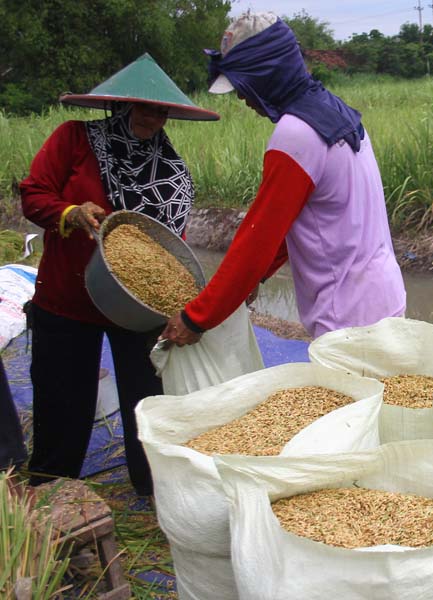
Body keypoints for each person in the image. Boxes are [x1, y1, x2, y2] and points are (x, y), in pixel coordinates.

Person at [19, 54, 219, 496]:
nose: (153, 118)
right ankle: (53, 491)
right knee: (62, 401)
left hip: (136, 308)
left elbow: (170, 244)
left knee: (147, 402)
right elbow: (33, 195)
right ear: (118, 107)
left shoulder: (170, 171)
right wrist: (69, 212)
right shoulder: (74, 140)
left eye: (161, 110)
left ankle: (156, 492)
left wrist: (182, 304)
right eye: (145, 108)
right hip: (68, 297)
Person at [161, 12, 406, 346]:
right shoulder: (336, 112)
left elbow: (257, 240)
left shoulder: (296, 135)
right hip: (383, 295)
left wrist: (196, 317)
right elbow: (297, 224)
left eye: (243, 85)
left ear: (266, 74)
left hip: (347, 320)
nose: (241, 98)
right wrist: (254, 278)